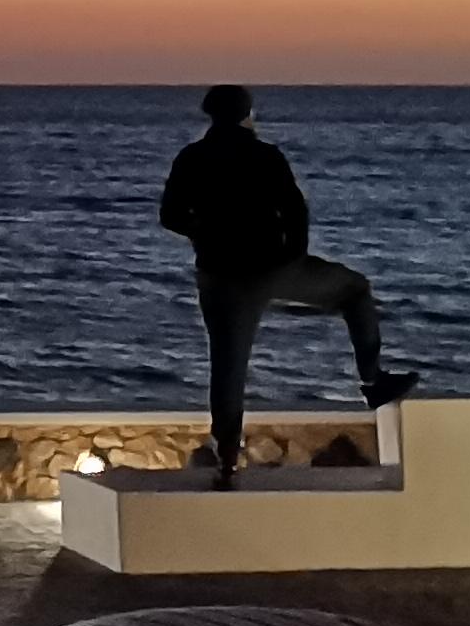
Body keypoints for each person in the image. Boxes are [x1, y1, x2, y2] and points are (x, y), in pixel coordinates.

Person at [158, 85, 418, 488]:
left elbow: (170, 215)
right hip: (271, 268)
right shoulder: (265, 156)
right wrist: (293, 256)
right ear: (247, 114)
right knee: (355, 290)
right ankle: (373, 379)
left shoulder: (192, 157)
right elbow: (295, 210)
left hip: (220, 276)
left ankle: (227, 457)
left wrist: (206, 235)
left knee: (228, 366)